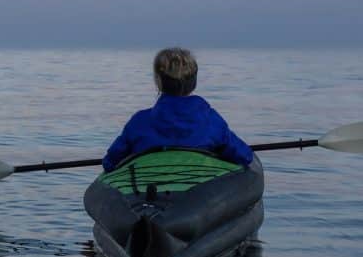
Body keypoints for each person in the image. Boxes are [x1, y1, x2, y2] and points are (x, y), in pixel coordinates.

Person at [102, 47, 253, 171]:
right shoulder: (211, 120)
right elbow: (245, 156)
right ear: (194, 82)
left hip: (149, 196)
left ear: (158, 81)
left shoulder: (139, 122)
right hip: (201, 197)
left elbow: (110, 163)